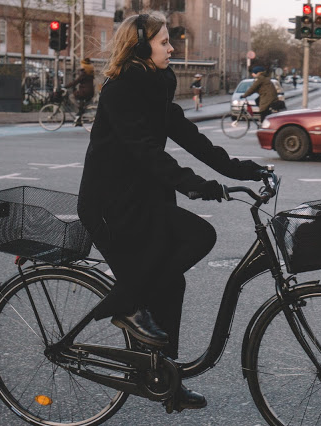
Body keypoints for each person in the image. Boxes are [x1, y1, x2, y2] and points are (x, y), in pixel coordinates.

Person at [76, 13, 264, 410]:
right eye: (164, 42)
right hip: (112, 205)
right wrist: (200, 186)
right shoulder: (120, 90)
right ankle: (126, 302)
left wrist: (239, 169)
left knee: (171, 284)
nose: (172, 47)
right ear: (141, 46)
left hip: (142, 199)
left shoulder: (156, 84)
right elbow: (143, 152)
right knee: (200, 235)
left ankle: (162, 378)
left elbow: (188, 135)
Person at [65, 58, 95, 126]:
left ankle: (80, 109)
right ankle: (79, 121)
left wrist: (65, 86)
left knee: (71, 96)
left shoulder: (84, 73)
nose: (80, 66)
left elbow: (76, 82)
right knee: (82, 103)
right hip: (90, 92)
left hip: (84, 92)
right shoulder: (91, 72)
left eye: (81, 65)